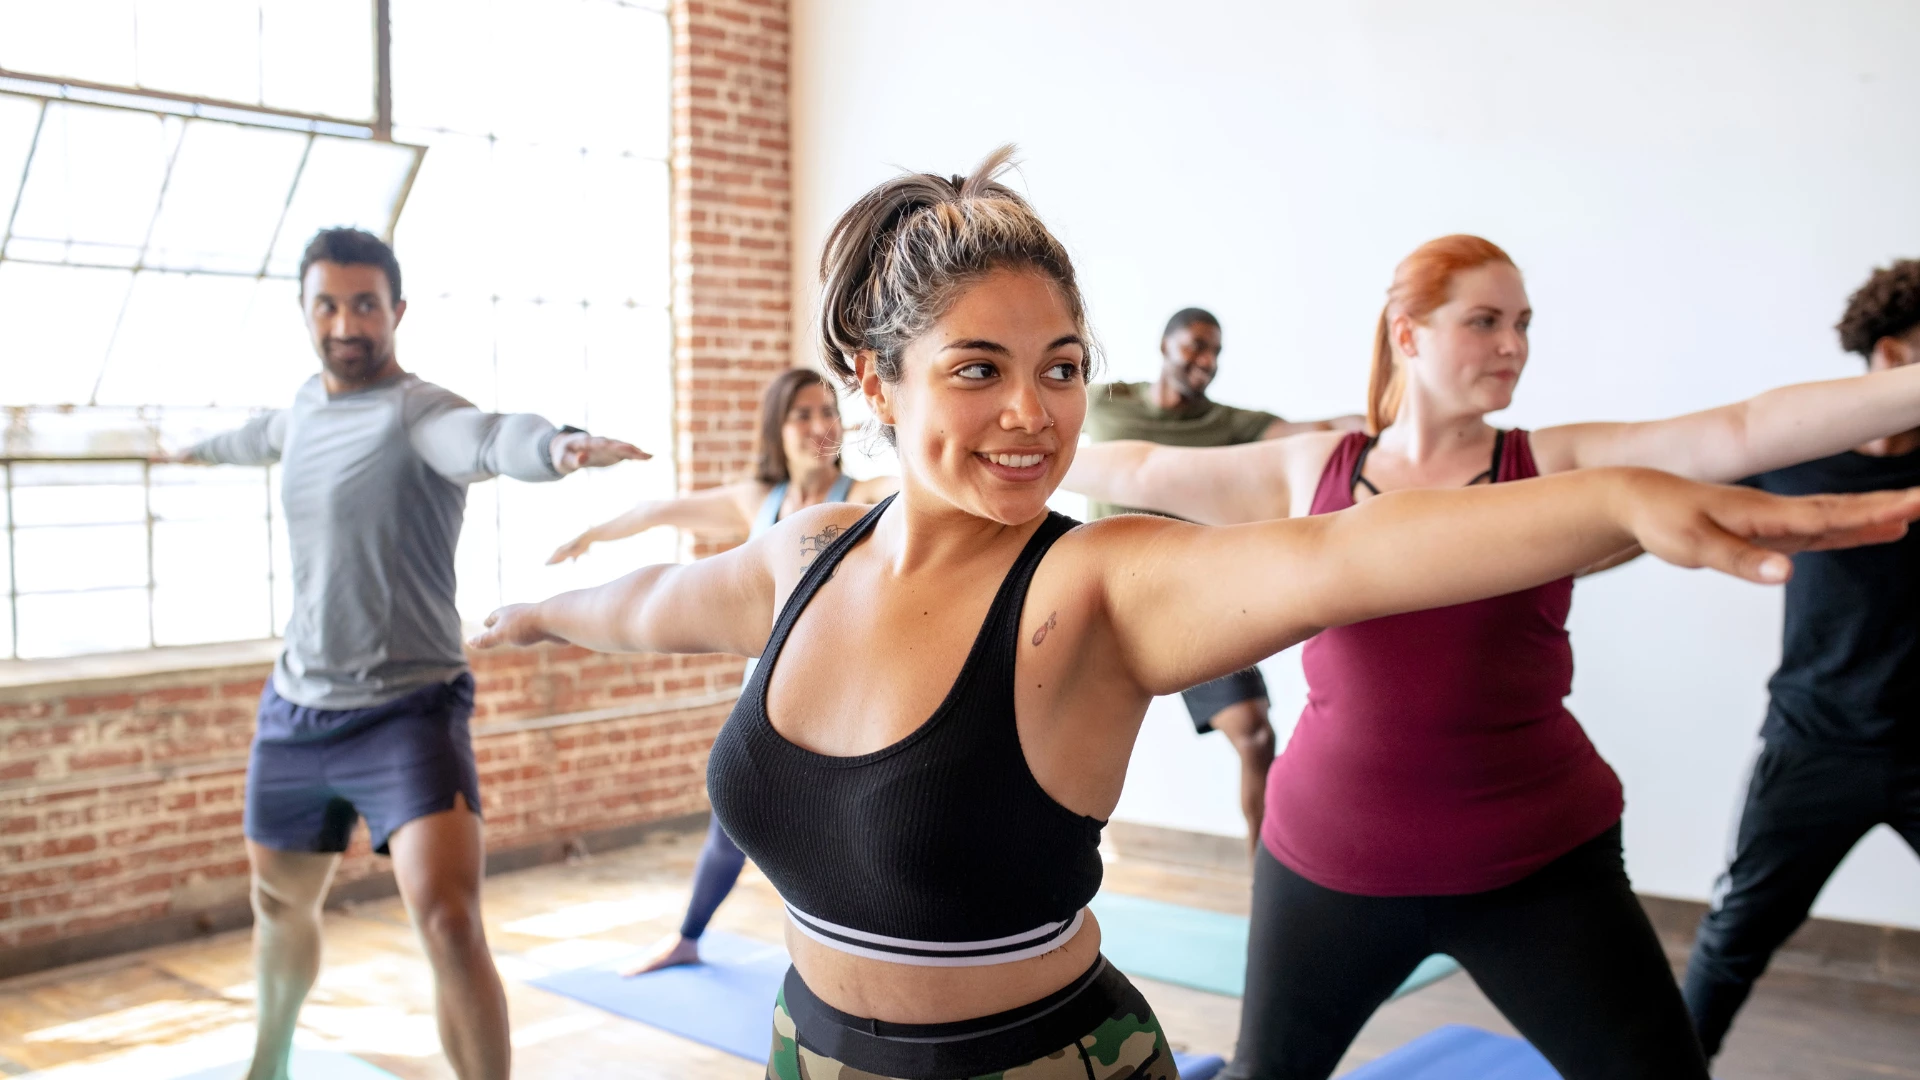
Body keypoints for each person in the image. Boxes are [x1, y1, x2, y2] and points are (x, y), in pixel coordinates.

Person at [469, 159, 1920, 1080]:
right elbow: (659, 603)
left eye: (1059, 367)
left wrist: (1616, 505)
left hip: (1065, 1054)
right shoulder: (804, 556)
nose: (1032, 412)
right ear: (873, 378)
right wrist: (535, 606)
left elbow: (1363, 559)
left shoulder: (1102, 584)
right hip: (824, 1046)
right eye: (977, 368)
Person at [1062, 235, 1920, 1080]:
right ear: (1408, 334)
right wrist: (973, 439)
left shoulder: (1548, 465)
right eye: (1485, 321)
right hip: (1330, 861)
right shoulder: (1313, 468)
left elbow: (1743, 427)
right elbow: (1136, 463)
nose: (1514, 346)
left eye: (1523, 323)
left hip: (1535, 861)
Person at [157, 228, 646, 1080]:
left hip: (408, 713)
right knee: (279, 906)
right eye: (328, 304)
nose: (346, 322)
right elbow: (253, 436)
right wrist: (189, 447)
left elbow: (489, 437)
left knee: (449, 922)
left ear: (397, 311)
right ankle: (267, 1065)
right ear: (307, 312)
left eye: (364, 304)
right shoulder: (303, 407)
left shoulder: (417, 411)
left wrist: (557, 447)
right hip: (296, 712)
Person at [548, 366, 896, 974]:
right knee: (731, 823)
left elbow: (922, 481)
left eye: (827, 412)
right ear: (778, 430)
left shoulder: (863, 497)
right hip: (765, 698)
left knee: (857, 837)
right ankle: (686, 938)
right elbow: (660, 511)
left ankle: (872, 956)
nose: (819, 426)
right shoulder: (756, 501)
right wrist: (592, 535)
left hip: (844, 703)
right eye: (803, 415)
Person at [1682, 258, 1920, 1061]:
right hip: (1815, 743)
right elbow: (1671, 496)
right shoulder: (1794, 455)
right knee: (1736, 935)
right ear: (1889, 355)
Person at [1086, 310, 1363, 844]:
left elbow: (1319, 430)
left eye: (1215, 353)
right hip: (1106, 600)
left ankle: (1266, 876)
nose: (1205, 363)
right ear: (1164, 345)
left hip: (1191, 602)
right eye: (1195, 348)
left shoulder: (1224, 424)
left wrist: (1386, 422)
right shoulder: (1105, 401)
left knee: (1256, 736)